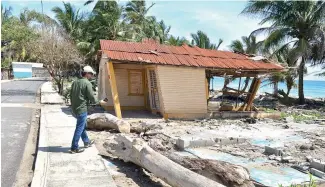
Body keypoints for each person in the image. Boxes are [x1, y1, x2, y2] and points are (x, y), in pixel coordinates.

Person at [69, 65, 97, 153]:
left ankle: (86, 142)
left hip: (75, 108)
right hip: (82, 109)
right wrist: (97, 101)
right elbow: (91, 96)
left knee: (82, 126)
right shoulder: (87, 83)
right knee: (80, 128)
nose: (92, 76)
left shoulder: (75, 82)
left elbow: (71, 96)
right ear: (87, 74)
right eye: (91, 74)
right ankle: (74, 147)